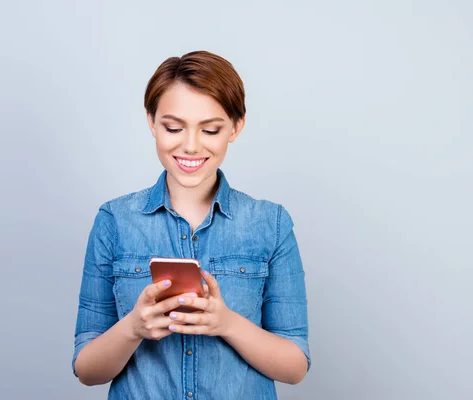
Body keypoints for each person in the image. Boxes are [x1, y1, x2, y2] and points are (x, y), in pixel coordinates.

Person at [72, 50, 310, 399]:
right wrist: (133, 328)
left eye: (210, 129)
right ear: (151, 122)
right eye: (173, 127)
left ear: (236, 127)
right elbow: (87, 370)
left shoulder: (270, 224)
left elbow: (295, 367)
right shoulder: (115, 221)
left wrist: (227, 324)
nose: (191, 145)